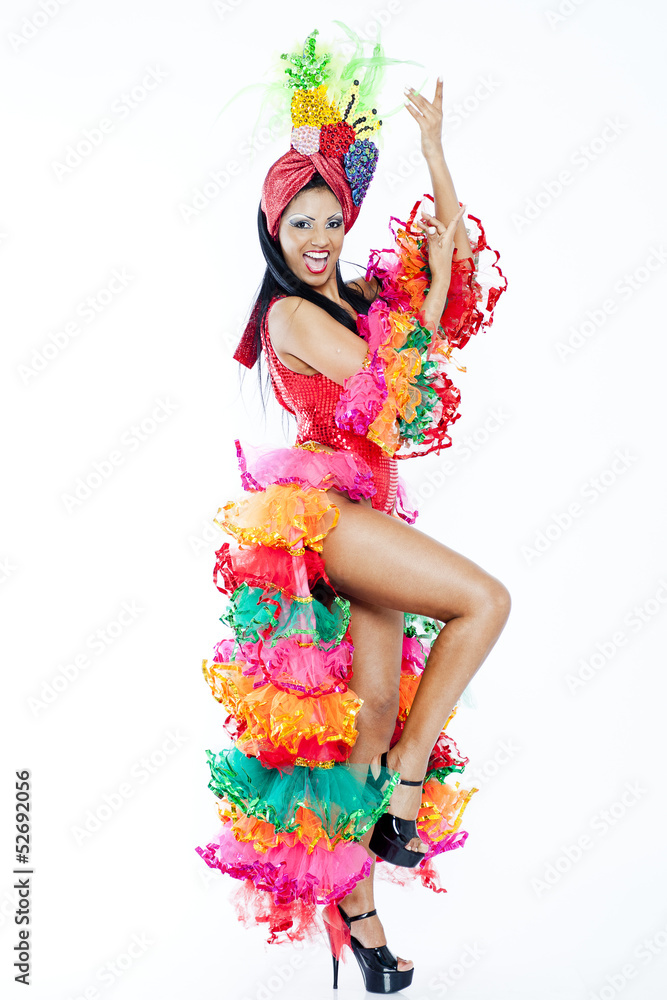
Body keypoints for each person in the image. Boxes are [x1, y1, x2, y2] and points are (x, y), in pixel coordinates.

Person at [196, 27, 509, 995]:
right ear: (275, 238)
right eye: (301, 226)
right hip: (324, 522)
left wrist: (437, 160)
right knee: (483, 601)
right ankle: (405, 792)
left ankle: (364, 925)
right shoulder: (292, 314)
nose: (322, 239)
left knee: (367, 718)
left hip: (365, 519)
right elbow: (403, 389)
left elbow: (438, 292)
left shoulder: (353, 299)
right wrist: (409, 338)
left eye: (332, 221)